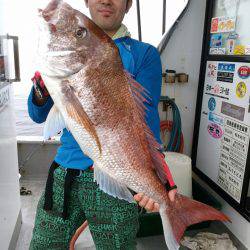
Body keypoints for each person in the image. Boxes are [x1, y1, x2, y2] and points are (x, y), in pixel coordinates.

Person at [29, 0, 177, 249]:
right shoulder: (64, 55)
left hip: (117, 178)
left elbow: (146, 121)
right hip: (65, 171)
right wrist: (44, 88)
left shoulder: (144, 54)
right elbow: (37, 115)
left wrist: (163, 181)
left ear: (129, 4)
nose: (106, 0)